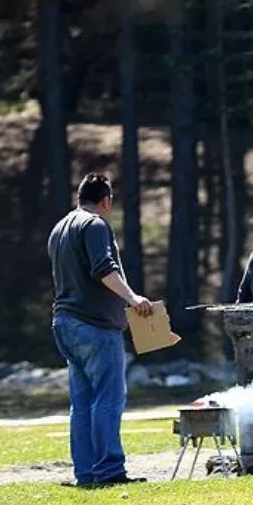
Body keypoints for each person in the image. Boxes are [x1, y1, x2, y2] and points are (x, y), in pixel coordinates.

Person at [48, 173, 154, 487]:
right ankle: (109, 471)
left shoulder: (59, 228)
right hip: (95, 325)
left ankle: (86, 473)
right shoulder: (94, 225)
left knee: (81, 404)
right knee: (109, 398)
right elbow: (103, 268)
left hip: (64, 323)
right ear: (105, 200)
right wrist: (133, 298)